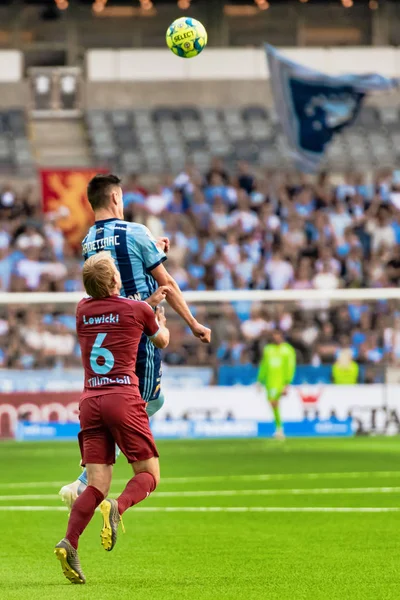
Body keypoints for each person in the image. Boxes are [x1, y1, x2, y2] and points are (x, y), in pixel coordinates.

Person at [60, 174, 211, 509]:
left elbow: (112, 273)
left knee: (145, 402)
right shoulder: (136, 232)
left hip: (107, 332)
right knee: (143, 405)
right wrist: (194, 323)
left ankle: (89, 475)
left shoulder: (88, 241)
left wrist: (153, 250)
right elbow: (166, 283)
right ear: (115, 197)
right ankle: (86, 480)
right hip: (139, 335)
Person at [54, 251, 170, 584]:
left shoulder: (81, 310)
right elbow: (158, 337)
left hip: (91, 400)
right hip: (123, 397)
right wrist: (158, 315)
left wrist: (145, 306)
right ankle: (118, 506)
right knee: (149, 474)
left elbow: (113, 314)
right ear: (117, 280)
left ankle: (69, 542)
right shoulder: (140, 310)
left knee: (95, 485)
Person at [256, 329, 296, 439]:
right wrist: (259, 380)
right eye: (274, 335)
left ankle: (280, 429)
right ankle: (278, 428)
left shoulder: (288, 350)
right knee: (273, 404)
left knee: (274, 403)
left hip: (280, 382)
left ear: (282, 336)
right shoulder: (268, 349)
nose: (276, 337)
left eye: (278, 335)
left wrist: (287, 383)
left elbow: (290, 367)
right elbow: (264, 365)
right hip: (270, 382)